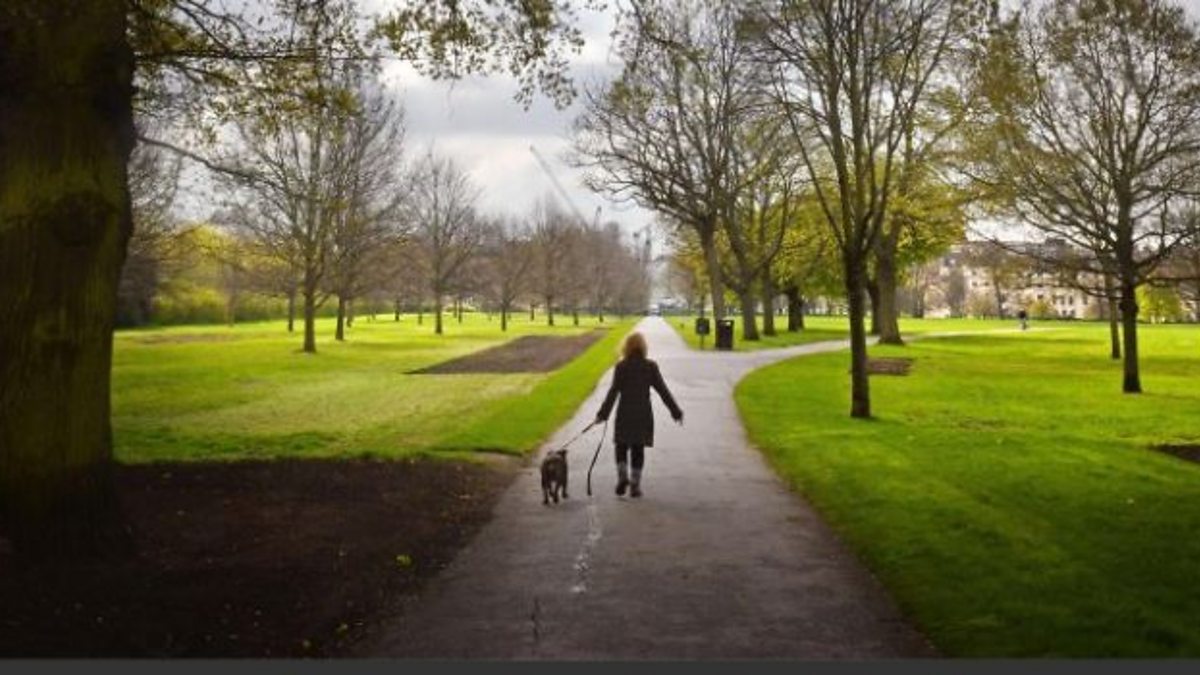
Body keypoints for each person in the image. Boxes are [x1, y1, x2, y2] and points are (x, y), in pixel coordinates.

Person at [594, 332, 683, 498]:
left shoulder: (621, 367)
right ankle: (635, 485)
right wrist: (675, 412)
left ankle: (622, 477)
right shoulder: (650, 366)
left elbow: (613, 392)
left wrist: (603, 414)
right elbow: (663, 391)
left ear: (626, 347)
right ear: (643, 347)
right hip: (643, 414)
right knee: (638, 449)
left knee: (621, 446)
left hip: (624, 413)